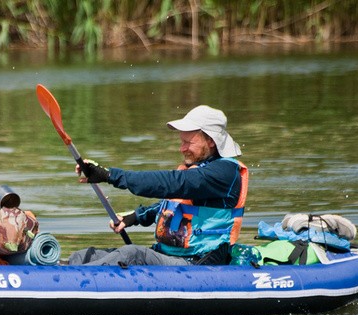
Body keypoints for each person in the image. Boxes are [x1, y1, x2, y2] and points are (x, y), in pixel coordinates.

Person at [68, 105, 249, 266]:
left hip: (199, 262)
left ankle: (73, 285)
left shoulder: (224, 173)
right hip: (171, 256)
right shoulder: (199, 168)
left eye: (188, 142)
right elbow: (176, 205)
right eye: (181, 142)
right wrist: (136, 217)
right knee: (84, 255)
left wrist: (110, 175)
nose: (182, 148)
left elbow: (172, 183)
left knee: (132, 254)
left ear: (211, 141)